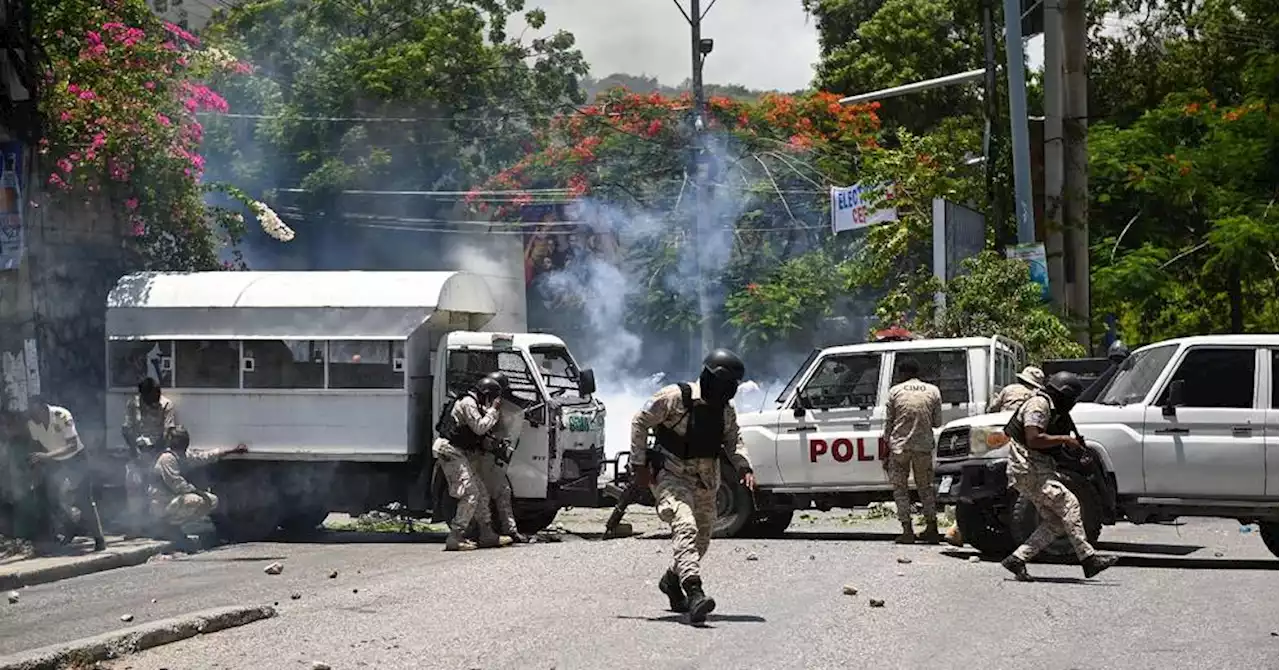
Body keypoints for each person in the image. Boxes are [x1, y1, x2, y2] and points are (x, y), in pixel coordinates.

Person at [631, 349, 755, 624]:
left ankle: (672, 581)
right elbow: (640, 421)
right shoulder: (675, 398)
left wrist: (744, 467)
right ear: (710, 379)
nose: (729, 391)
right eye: (725, 384)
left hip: (706, 479)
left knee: (701, 539)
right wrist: (638, 465)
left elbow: (733, 440)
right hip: (671, 476)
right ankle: (695, 591)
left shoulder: (725, 410)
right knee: (684, 525)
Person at [1000, 371, 1118, 581]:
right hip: (1029, 470)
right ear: (1063, 394)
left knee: (1055, 522)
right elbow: (1034, 439)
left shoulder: (1054, 409)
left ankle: (1017, 559)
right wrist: (1065, 439)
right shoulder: (1039, 405)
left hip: (1037, 469)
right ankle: (1088, 559)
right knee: (1069, 504)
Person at [432, 376, 513, 552]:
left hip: (460, 452)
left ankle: (487, 533)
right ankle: (455, 537)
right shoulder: (468, 402)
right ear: (486, 395)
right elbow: (479, 427)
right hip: (450, 451)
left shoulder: (474, 402)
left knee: (481, 492)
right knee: (470, 493)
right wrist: (493, 411)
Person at [25, 396, 106, 552]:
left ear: (43, 408)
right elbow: (36, 444)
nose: (35, 418)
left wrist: (46, 456)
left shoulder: (61, 416)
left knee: (84, 500)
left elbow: (72, 445)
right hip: (55, 460)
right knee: (51, 495)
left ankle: (99, 538)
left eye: (36, 414)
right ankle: (69, 528)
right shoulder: (32, 423)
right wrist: (36, 463)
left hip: (75, 458)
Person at [148, 425, 245, 551]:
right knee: (194, 500)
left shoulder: (181, 456)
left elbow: (204, 456)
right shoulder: (167, 458)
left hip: (171, 500)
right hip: (161, 502)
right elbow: (177, 484)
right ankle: (167, 526)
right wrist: (198, 492)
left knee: (212, 500)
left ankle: (176, 525)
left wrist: (231, 451)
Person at [882, 358, 943, 544]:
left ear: (902, 374)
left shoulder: (895, 391)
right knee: (926, 488)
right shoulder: (933, 391)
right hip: (923, 447)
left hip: (900, 448)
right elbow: (937, 422)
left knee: (900, 490)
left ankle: (907, 530)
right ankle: (931, 528)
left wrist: (887, 447)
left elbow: (889, 424)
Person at [471, 371, 528, 544]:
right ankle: (482, 531)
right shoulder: (483, 408)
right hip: (482, 457)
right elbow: (481, 429)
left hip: (491, 458)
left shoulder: (493, 406)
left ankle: (509, 530)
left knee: (503, 492)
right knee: (483, 496)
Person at [122, 377, 177, 537]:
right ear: (144, 396)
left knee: (155, 491)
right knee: (133, 487)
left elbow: (168, 431)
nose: (157, 397)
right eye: (154, 394)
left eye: (159, 393)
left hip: (156, 452)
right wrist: (135, 451)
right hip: (137, 452)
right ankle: (136, 527)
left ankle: (156, 528)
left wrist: (155, 453)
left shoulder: (166, 404)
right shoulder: (133, 404)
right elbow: (126, 429)